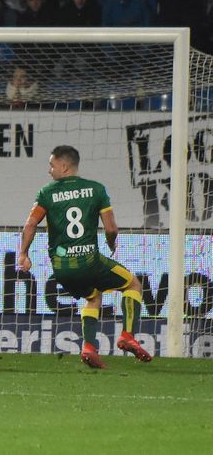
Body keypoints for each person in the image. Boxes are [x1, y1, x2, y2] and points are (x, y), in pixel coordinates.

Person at [17, 145, 153, 369]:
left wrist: (23, 254)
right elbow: (111, 229)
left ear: (64, 165)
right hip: (90, 261)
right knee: (133, 284)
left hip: (61, 268)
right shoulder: (97, 189)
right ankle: (127, 335)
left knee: (93, 297)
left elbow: (31, 223)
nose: (49, 170)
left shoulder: (46, 193)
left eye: (51, 165)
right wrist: (111, 244)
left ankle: (89, 346)